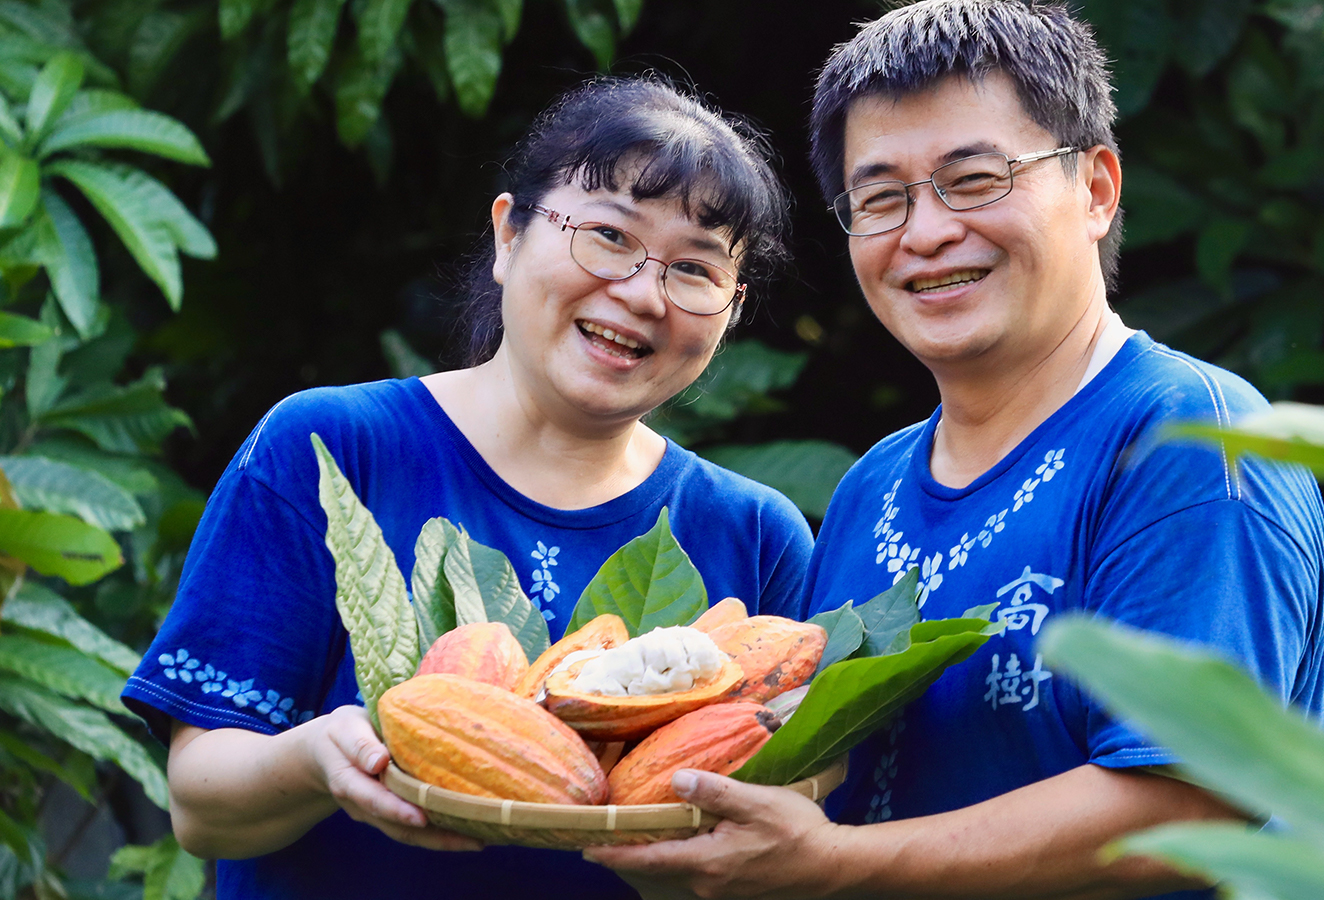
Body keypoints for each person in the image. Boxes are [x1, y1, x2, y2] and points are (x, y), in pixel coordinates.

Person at [586, 2, 1324, 898]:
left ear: (1096, 189)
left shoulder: (1192, 442)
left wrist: (833, 868)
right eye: (880, 199)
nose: (927, 231)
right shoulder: (872, 486)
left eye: (975, 179)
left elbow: (1193, 804)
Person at [120, 77, 813, 900]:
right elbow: (202, 806)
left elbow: (786, 812)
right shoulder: (332, 448)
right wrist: (315, 761)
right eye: (608, 235)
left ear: (729, 311)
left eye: (694, 270)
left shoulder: (759, 534)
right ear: (508, 234)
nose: (639, 293)